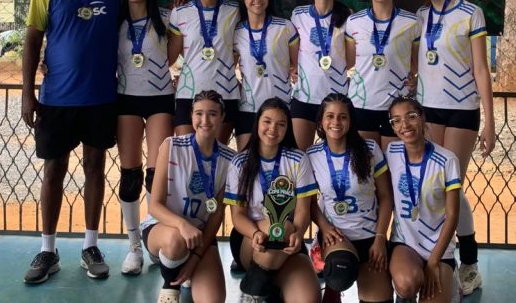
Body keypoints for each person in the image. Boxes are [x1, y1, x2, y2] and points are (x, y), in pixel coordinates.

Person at [20, 0, 122, 284]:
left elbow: (141, 17)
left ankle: (90, 246)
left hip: (101, 96)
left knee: (95, 167)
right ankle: (48, 250)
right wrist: (28, 92)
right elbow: (33, 39)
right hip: (57, 99)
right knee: (54, 170)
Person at [410, 0, 495, 296]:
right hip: (427, 110)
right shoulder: (420, 17)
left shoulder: (470, 13)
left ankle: (469, 264)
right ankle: (433, 254)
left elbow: (481, 69)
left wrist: (490, 121)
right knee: (433, 186)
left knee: (452, 188)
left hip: (461, 109)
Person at [140, 91, 236, 303]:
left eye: (212, 114)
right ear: (191, 115)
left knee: (212, 300)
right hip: (163, 230)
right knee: (175, 241)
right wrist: (182, 225)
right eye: (199, 113)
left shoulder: (230, 160)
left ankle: (186, 265)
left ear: (222, 117)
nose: (205, 120)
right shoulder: (171, 146)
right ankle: (170, 284)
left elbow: (216, 215)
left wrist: (195, 259)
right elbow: (154, 206)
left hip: (199, 236)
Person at [225, 97, 320, 303]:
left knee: (307, 299)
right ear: (257, 123)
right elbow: (238, 216)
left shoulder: (298, 159)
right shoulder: (240, 162)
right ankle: (253, 292)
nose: (273, 129)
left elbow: (303, 210)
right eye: (267, 121)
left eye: (281, 124)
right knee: (280, 226)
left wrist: (299, 234)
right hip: (250, 238)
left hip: (288, 239)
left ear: (287, 128)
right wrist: (255, 233)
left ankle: (267, 288)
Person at [116, 0, 175, 275]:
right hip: (126, 98)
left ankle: (154, 239)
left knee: (156, 174)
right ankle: (134, 247)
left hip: (160, 99)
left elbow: (176, 55)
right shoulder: (114, 20)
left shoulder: (167, 18)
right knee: (130, 175)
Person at [306, 93, 393, 303]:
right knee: (340, 272)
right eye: (330, 116)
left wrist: (380, 238)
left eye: (343, 117)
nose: (336, 122)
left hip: (370, 237)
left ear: (351, 121)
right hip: (336, 237)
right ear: (321, 121)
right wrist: (324, 227)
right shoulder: (312, 155)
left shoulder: (369, 149)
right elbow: (308, 202)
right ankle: (332, 285)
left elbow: (385, 196)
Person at [384, 97, 462, 303]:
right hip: (405, 242)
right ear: (393, 127)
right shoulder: (391, 152)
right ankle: (405, 295)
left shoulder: (447, 160)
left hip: (439, 248)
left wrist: (434, 261)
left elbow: (453, 216)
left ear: (422, 118)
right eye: (396, 121)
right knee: (407, 284)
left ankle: (451, 278)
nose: (405, 125)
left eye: (411, 117)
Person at [345, 0, 419, 145]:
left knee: (395, 161)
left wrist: (417, 79)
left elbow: (417, 63)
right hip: (362, 104)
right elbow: (348, 62)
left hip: (398, 106)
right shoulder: (354, 21)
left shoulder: (412, 22)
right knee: (366, 161)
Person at [168, 0, 240, 142]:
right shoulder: (180, 12)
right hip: (188, 92)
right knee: (187, 153)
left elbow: (241, 49)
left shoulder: (235, 11)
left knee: (215, 155)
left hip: (224, 93)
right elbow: (170, 57)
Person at [290, 0, 351, 150]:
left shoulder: (349, 18)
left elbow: (351, 60)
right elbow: (293, 51)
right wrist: (295, 69)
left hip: (336, 99)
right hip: (305, 97)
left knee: (337, 155)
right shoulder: (298, 15)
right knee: (300, 156)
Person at [233, 0, 298, 150]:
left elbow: (299, 65)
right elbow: (227, 67)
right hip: (248, 108)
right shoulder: (236, 31)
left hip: (281, 107)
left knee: (281, 162)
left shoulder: (284, 27)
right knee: (247, 162)